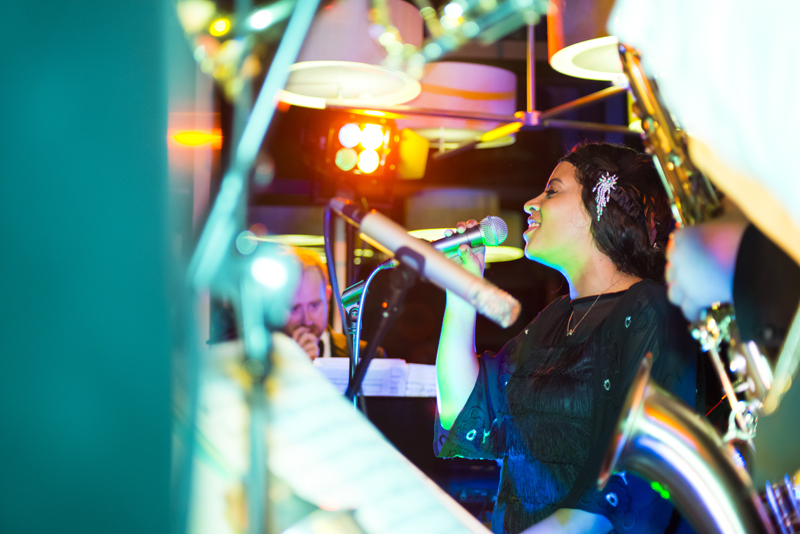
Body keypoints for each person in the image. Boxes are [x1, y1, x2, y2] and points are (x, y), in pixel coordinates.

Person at [434, 143, 702, 534]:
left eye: (552, 190)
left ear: (599, 208)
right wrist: (462, 292)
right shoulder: (555, 319)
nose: (530, 203)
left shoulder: (650, 310)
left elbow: (625, 481)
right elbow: (460, 411)